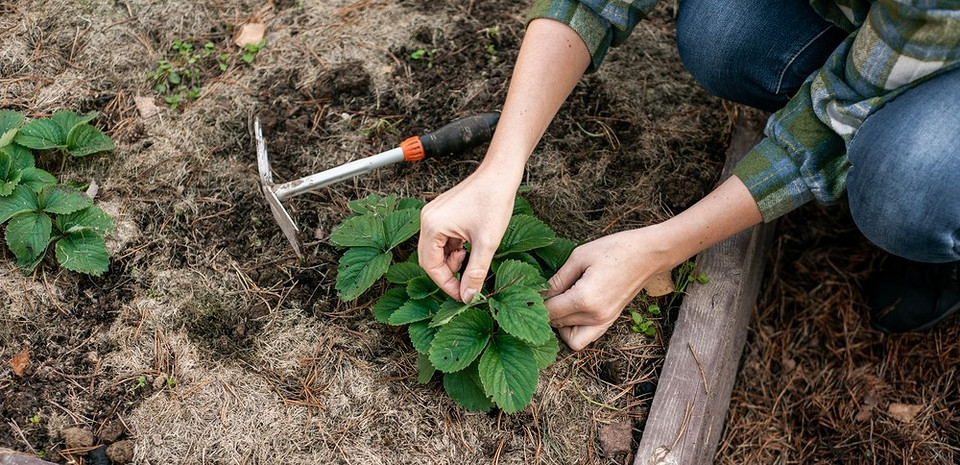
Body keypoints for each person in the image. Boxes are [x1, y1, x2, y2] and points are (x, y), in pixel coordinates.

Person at [417, 0, 960, 351]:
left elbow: (840, 115)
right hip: (892, 33)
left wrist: (658, 249)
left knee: (904, 189)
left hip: (934, 34)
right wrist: (499, 168)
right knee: (720, 32)